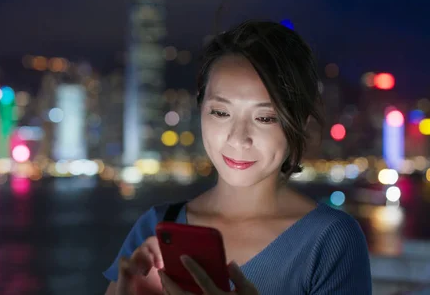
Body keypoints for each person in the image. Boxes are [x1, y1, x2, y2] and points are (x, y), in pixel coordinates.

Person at [103, 20, 372, 295]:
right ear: (201, 109)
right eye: (221, 113)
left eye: (265, 117)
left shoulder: (331, 240)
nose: (238, 138)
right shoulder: (157, 228)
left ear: (299, 123)